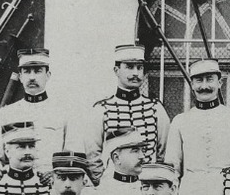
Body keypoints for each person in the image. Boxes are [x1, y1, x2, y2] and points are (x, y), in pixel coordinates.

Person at [163, 58, 230, 195]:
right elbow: (172, 166)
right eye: (199, 80)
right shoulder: (180, 120)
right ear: (191, 84)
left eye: (209, 79)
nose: (204, 86)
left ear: (220, 82)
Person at [72, 42, 170, 180]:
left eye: (139, 68)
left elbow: (163, 152)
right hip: (113, 186)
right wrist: (103, 181)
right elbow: (92, 154)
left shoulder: (155, 108)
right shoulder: (102, 109)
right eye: (129, 67)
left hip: (147, 184)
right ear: (116, 70)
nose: (135, 73)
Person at [0, 48, 68, 170]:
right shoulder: (7, 113)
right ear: (20, 77)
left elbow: (71, 155)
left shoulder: (62, 112)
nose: (32, 77)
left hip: (52, 185)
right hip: (17, 185)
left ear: (47, 75)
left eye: (38, 71)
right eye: (27, 71)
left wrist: (55, 173)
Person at [86, 128, 147, 195]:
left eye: (142, 150)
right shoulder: (103, 193)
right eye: (135, 151)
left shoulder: (149, 188)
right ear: (116, 158)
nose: (142, 156)